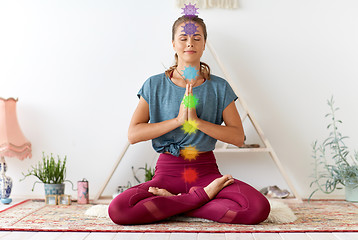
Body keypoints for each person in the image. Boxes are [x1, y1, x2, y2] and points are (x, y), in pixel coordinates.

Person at [108, 16, 270, 225]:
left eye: (196, 38)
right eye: (183, 38)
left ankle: (177, 204)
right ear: (174, 44)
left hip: (206, 173)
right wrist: (178, 120)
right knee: (119, 210)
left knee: (257, 208)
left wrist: (197, 121)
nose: (190, 43)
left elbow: (238, 137)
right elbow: (133, 135)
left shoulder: (220, 87)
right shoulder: (154, 84)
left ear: (204, 44)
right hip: (167, 173)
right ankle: (198, 199)